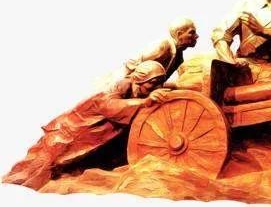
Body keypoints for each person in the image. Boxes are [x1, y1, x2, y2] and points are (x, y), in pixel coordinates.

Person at [3, 61, 169, 190]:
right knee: (55, 158)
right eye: (153, 82)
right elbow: (109, 106)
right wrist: (144, 102)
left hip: (101, 132)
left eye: (160, 82)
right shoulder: (120, 86)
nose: (157, 87)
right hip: (78, 127)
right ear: (139, 80)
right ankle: (32, 179)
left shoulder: (139, 90)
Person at [124, 17, 199, 88]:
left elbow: (160, 82)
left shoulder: (179, 56)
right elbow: (135, 66)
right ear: (179, 34)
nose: (196, 36)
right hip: (129, 84)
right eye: (192, 32)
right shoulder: (164, 46)